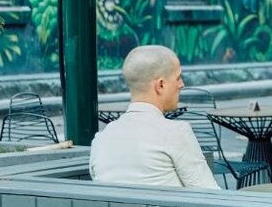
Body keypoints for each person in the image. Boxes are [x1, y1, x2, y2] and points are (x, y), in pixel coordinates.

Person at [89, 45, 220, 189]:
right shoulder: (176, 132)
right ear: (161, 85)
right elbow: (210, 194)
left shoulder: (101, 140)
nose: (182, 84)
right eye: (178, 77)